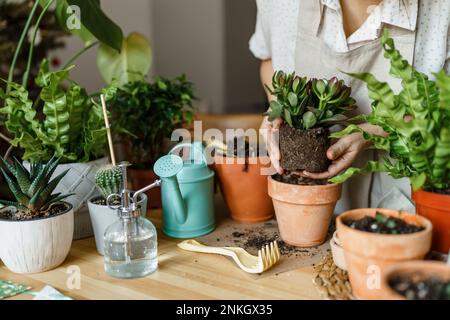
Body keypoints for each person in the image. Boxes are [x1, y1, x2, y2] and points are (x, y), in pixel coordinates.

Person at [250, 0, 450, 212]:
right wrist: (276, 107)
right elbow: (270, 60)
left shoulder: (441, 9)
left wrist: (375, 131)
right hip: (307, 202)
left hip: (410, 202)